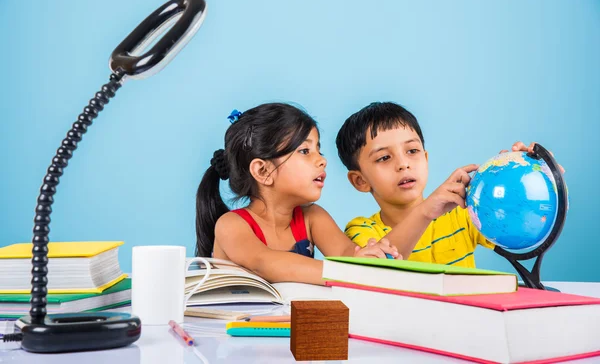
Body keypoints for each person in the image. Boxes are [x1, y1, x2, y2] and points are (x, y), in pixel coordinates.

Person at [195, 103, 401, 285]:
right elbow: (264, 263)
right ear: (263, 171)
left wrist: (367, 257)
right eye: (305, 151)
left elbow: (345, 254)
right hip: (232, 327)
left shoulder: (313, 217)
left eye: (319, 150)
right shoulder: (231, 225)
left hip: (288, 324)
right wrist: (348, 272)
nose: (322, 160)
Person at [335, 101, 561, 268]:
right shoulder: (362, 231)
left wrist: (542, 179)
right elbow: (375, 269)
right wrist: (425, 212)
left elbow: (526, 233)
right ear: (360, 180)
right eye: (384, 158)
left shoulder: (464, 214)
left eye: (412, 151)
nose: (403, 164)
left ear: (426, 158)